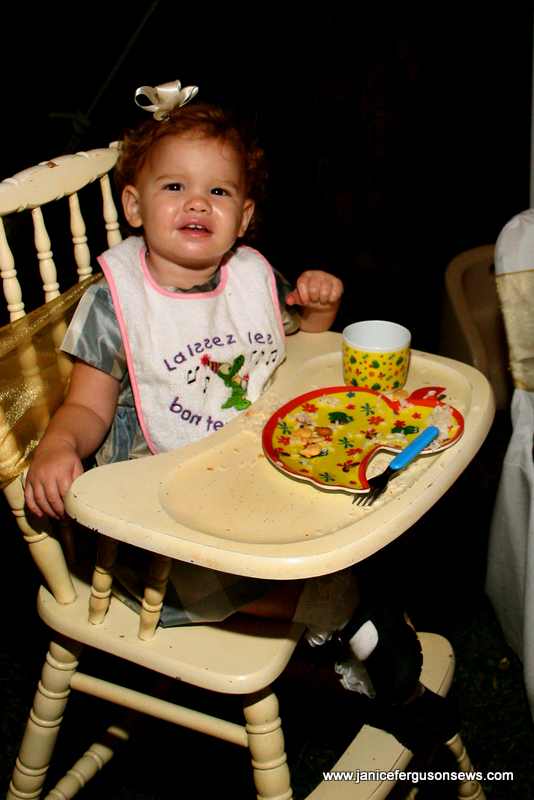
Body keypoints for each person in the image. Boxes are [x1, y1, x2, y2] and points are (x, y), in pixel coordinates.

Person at [24, 80, 459, 751]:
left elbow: (297, 344)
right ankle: (353, 630)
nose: (198, 202)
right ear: (134, 206)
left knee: (358, 505)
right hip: (163, 528)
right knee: (327, 580)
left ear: (245, 214)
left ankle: (345, 629)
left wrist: (317, 309)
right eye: (174, 187)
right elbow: (86, 404)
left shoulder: (250, 274)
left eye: (219, 192)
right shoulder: (117, 305)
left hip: (248, 477)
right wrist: (58, 445)